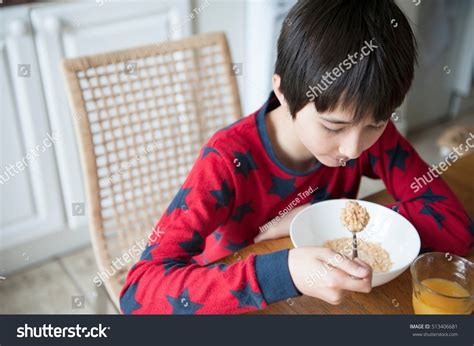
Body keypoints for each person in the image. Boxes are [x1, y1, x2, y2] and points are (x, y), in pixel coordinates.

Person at [120, 0, 473, 314]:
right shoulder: (226, 160)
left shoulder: (369, 133)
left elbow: (456, 228)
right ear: (284, 93)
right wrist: (283, 272)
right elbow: (138, 293)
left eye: (377, 124)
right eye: (333, 127)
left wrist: (325, 217)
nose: (353, 150)